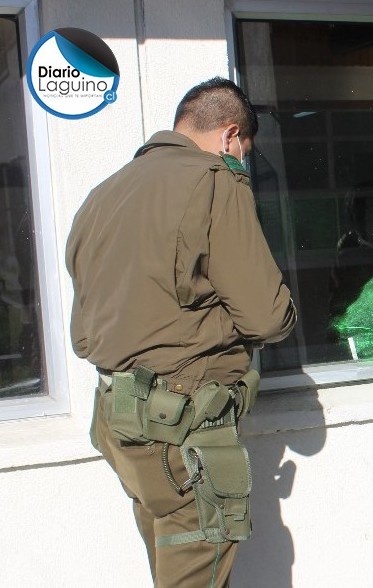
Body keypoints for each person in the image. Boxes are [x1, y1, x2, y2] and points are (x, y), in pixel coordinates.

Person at [66, 77, 296, 587]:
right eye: (245, 152)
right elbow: (267, 317)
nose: (243, 163)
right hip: (185, 430)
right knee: (195, 572)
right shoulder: (215, 179)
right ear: (229, 136)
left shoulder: (102, 195)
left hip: (122, 422)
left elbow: (84, 337)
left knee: (167, 567)